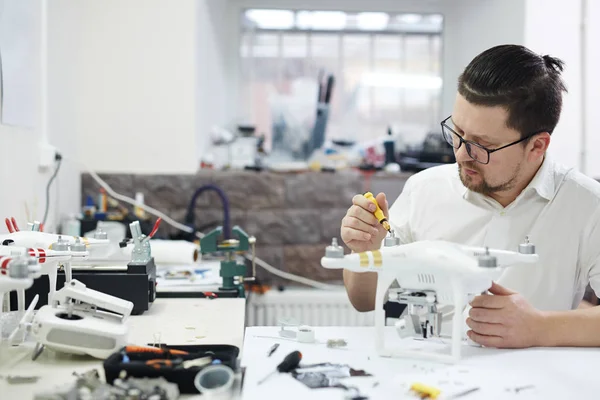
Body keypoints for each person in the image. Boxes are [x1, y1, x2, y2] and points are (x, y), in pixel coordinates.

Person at [340, 44, 600, 349]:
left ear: (537, 146)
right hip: (430, 384)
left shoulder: (586, 206)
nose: (462, 154)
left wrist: (539, 327)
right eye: (458, 133)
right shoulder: (424, 189)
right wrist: (364, 252)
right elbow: (365, 301)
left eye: (482, 145)